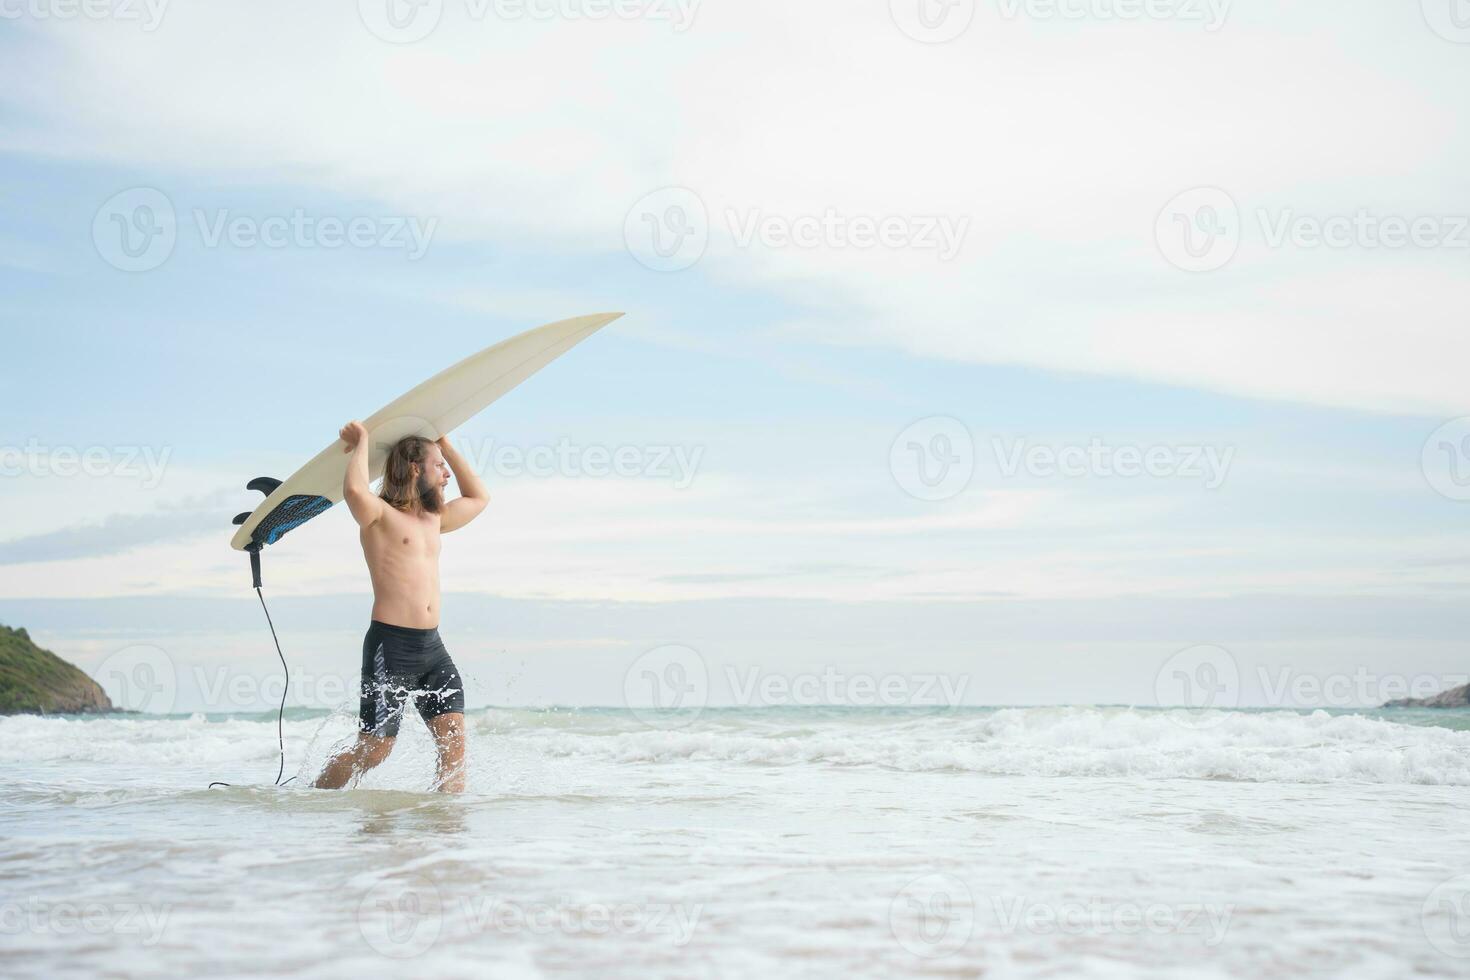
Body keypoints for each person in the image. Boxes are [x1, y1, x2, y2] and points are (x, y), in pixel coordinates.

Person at [313, 422, 489, 793]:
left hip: (432, 649)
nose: (445, 475)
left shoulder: (433, 520)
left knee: (454, 744)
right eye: (438, 465)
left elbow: (479, 498)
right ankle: (316, 798)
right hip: (389, 647)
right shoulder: (379, 516)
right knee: (375, 749)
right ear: (413, 468)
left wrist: (446, 445)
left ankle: (446, 835)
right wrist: (362, 443)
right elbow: (354, 491)